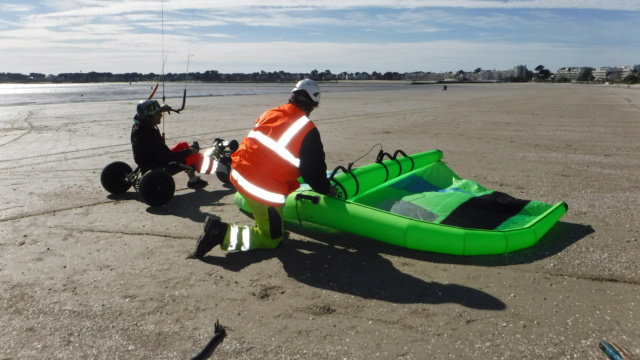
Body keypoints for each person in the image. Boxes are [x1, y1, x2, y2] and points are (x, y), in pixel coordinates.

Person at [193, 79, 337, 257]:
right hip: (261, 188)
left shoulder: (271, 112)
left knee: (274, 222)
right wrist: (326, 188)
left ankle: (269, 223)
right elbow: (312, 171)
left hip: (237, 174)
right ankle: (220, 233)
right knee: (272, 239)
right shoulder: (308, 130)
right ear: (314, 104)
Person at [131, 99, 208, 189]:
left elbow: (141, 113)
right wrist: (190, 151)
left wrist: (161, 109)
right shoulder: (150, 133)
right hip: (155, 164)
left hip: (147, 159)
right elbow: (170, 157)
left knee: (183, 145)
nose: (160, 115)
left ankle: (193, 178)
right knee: (192, 156)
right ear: (149, 117)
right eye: (157, 113)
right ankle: (193, 181)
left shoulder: (139, 124)